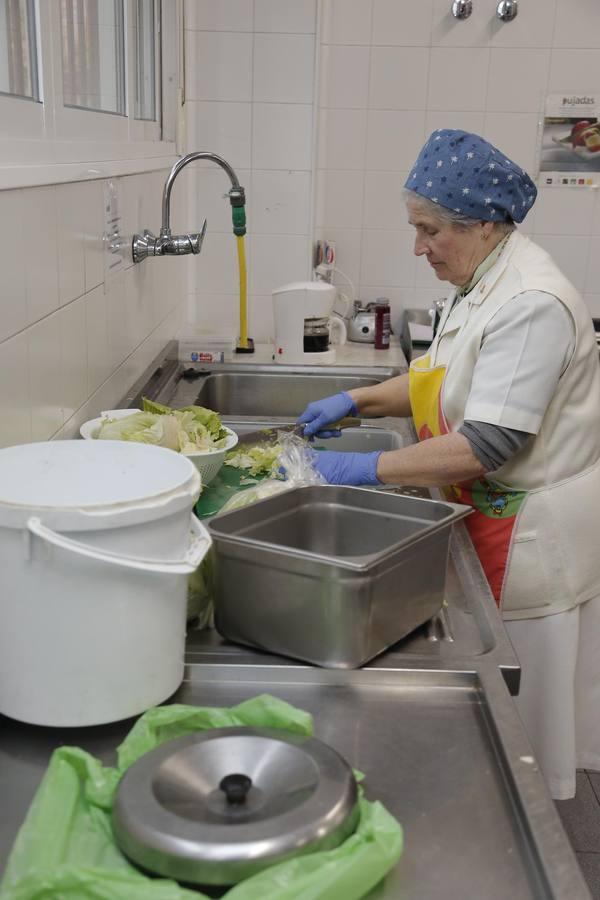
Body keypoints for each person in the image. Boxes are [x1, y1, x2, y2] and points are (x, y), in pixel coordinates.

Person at [294, 129, 600, 801]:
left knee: (520, 713)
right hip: (483, 510)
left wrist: (366, 468)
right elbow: (437, 374)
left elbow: (488, 444)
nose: (418, 247)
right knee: (496, 698)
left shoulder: (531, 304)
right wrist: (359, 399)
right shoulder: (481, 279)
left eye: (429, 231)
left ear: (483, 224)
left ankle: (524, 823)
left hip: (527, 530)